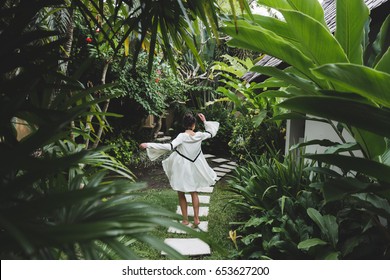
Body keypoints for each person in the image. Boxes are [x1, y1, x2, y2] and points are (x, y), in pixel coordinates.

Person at [139, 113, 219, 228]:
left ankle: (185, 220)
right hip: (195, 167)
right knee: (194, 192)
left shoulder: (182, 136)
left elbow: (170, 146)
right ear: (194, 125)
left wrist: (149, 144)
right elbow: (211, 133)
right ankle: (196, 219)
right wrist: (205, 121)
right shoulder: (199, 135)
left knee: (181, 192)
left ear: (184, 125)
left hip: (182, 168)